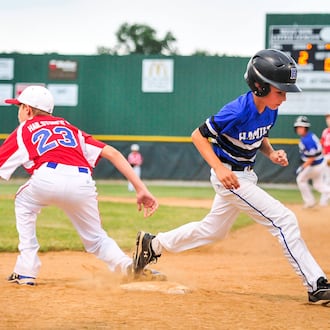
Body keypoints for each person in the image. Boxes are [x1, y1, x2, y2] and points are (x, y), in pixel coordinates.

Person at [132, 49, 330, 303]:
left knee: (212, 231)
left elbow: (259, 135)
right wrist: (219, 168)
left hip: (245, 176)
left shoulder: (271, 109)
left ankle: (153, 245)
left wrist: (270, 153)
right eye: (280, 91)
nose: (284, 97)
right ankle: (315, 285)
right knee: (284, 220)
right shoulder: (236, 109)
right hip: (231, 179)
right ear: (259, 86)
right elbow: (198, 135)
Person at [0, 85, 163, 286]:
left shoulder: (24, 129)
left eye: (19, 107)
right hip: (82, 181)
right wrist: (140, 188)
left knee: (23, 202)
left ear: (27, 109)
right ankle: (126, 266)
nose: (19, 112)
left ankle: (26, 271)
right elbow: (112, 153)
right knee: (96, 238)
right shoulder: (70, 128)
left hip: (47, 177)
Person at [294, 115, 330, 208]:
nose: (298, 129)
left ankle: (310, 202)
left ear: (305, 128)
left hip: (315, 165)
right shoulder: (309, 136)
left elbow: (312, 158)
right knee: (318, 185)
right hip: (319, 164)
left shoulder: (308, 139)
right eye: (297, 127)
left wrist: (302, 167)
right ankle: (310, 202)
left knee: (300, 179)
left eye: (300, 127)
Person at [320, 112, 330, 187]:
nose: (328, 120)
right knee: (325, 178)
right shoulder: (325, 131)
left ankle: (323, 199)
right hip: (325, 156)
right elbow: (322, 144)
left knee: (327, 179)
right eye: (327, 118)